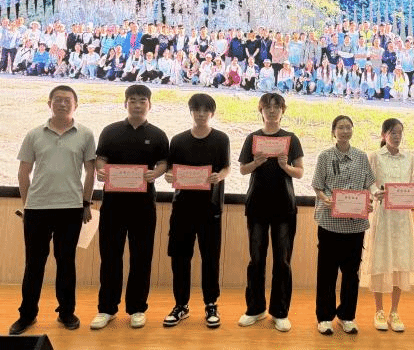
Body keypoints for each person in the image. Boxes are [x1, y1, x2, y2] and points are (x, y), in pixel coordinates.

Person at [10, 85, 96, 335]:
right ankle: (27, 315)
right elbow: (23, 172)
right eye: (57, 100)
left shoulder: (85, 134)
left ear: (76, 105)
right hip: (37, 209)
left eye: (67, 100)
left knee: (66, 263)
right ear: (49, 104)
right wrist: (27, 205)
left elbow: (91, 171)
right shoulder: (34, 134)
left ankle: (67, 312)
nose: (62, 104)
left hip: (70, 209)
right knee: (34, 264)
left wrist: (86, 202)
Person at [91, 85, 169, 330]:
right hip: (113, 204)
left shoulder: (158, 134)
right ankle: (107, 308)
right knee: (110, 256)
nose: (137, 104)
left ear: (149, 105)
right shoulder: (110, 131)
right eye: (132, 100)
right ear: (125, 103)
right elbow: (101, 158)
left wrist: (156, 173)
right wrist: (100, 170)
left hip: (143, 205)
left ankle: (137, 308)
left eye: (142, 100)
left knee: (141, 257)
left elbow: (164, 162)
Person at [162, 94, 230, 328]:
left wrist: (220, 176)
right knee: (180, 258)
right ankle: (181, 305)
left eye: (205, 110)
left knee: (210, 258)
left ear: (212, 113)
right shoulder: (178, 140)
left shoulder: (221, 139)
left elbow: (226, 167)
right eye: (196, 110)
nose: (201, 114)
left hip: (210, 208)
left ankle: (211, 304)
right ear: (190, 112)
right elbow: (170, 170)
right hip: (182, 209)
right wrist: (168, 175)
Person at [238, 93, 304, 332]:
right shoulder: (252, 138)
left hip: (284, 206)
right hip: (257, 205)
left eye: (277, 107)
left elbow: (300, 172)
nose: (272, 111)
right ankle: (255, 309)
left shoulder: (291, 138)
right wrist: (256, 162)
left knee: (282, 261)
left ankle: (280, 312)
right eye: (268, 107)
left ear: (283, 111)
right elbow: (243, 170)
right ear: (261, 111)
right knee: (256, 259)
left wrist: (286, 166)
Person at [312, 115, 376, 335]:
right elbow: (317, 186)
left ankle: (347, 316)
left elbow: (369, 184)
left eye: (348, 127)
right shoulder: (325, 156)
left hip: (355, 225)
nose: (345, 131)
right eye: (341, 127)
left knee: (351, 273)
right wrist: (326, 199)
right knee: (327, 272)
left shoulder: (361, 156)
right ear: (333, 131)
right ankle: (324, 317)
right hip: (329, 223)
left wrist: (371, 200)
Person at [361, 118, 414, 332]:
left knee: (400, 262)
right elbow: (368, 182)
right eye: (392, 133)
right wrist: (375, 192)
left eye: (399, 133)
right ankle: (378, 310)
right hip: (382, 216)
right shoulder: (374, 157)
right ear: (383, 135)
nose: (396, 136)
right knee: (380, 261)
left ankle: (394, 312)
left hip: (402, 218)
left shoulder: (410, 158)